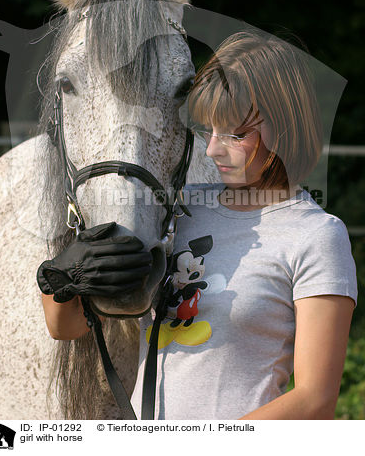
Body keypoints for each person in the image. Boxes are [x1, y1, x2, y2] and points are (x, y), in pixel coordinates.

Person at [38, 29, 357, 421]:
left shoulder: (316, 236)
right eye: (208, 129)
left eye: (235, 134)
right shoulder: (176, 213)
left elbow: (315, 400)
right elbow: (66, 327)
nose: (212, 149)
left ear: (287, 127)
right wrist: (64, 275)